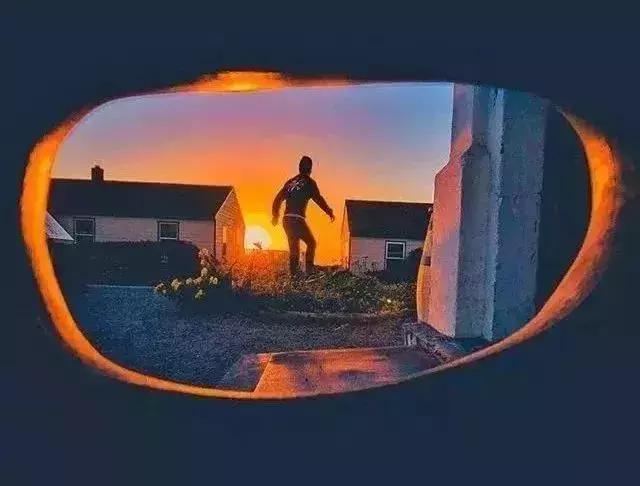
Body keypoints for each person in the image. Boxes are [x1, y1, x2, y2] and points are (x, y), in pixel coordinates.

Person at [272, 156, 335, 275]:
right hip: (297, 219)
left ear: (299, 167)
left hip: (287, 220)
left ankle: (294, 277)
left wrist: (275, 216)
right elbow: (318, 199)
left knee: (294, 248)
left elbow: (277, 199)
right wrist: (328, 211)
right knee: (311, 243)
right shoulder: (310, 183)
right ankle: (309, 272)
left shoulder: (290, 182)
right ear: (310, 169)